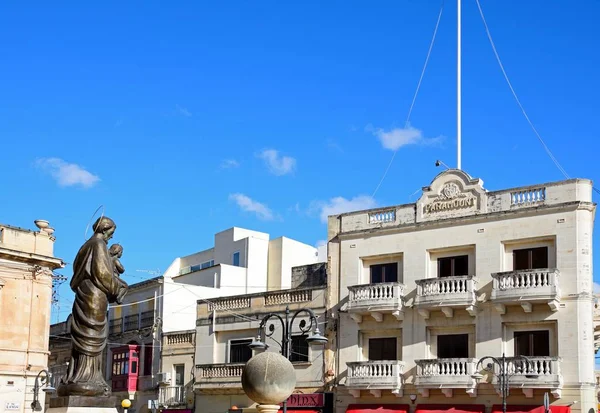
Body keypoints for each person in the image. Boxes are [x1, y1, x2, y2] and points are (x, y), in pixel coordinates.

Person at [58, 216, 128, 397]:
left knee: (84, 332)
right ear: (105, 230)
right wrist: (117, 287)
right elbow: (102, 273)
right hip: (95, 296)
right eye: (111, 233)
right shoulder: (98, 245)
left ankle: (79, 376)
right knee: (92, 333)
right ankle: (87, 379)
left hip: (84, 293)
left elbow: (77, 270)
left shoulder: (84, 247)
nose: (112, 237)